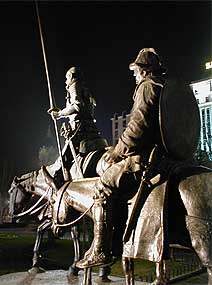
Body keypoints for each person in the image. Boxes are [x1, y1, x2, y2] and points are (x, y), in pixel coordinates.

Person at [76, 48, 168, 268]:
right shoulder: (165, 87)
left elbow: (137, 127)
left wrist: (116, 151)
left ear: (144, 70)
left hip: (145, 159)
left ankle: (100, 251)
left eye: (136, 71)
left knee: (103, 185)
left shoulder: (147, 87)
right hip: (167, 157)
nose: (134, 75)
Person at [49, 66, 108, 183]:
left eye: (66, 78)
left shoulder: (74, 86)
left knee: (61, 162)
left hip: (79, 131)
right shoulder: (85, 89)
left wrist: (60, 113)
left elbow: (77, 106)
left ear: (71, 77)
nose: (66, 82)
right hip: (92, 130)